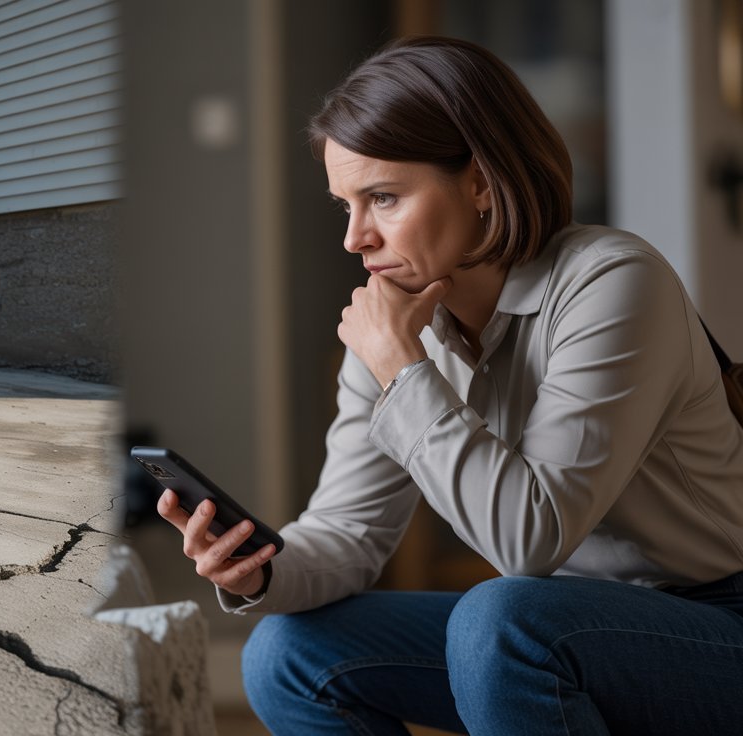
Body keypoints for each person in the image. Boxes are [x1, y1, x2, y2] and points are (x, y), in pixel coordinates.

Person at [156, 36, 743, 735]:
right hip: (570, 624)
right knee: (288, 651)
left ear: (482, 184)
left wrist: (404, 371)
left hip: (720, 621)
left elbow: (529, 541)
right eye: (346, 205)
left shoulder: (613, 283)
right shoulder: (396, 323)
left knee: (500, 621)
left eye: (383, 198)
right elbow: (348, 532)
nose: (355, 238)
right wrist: (256, 572)